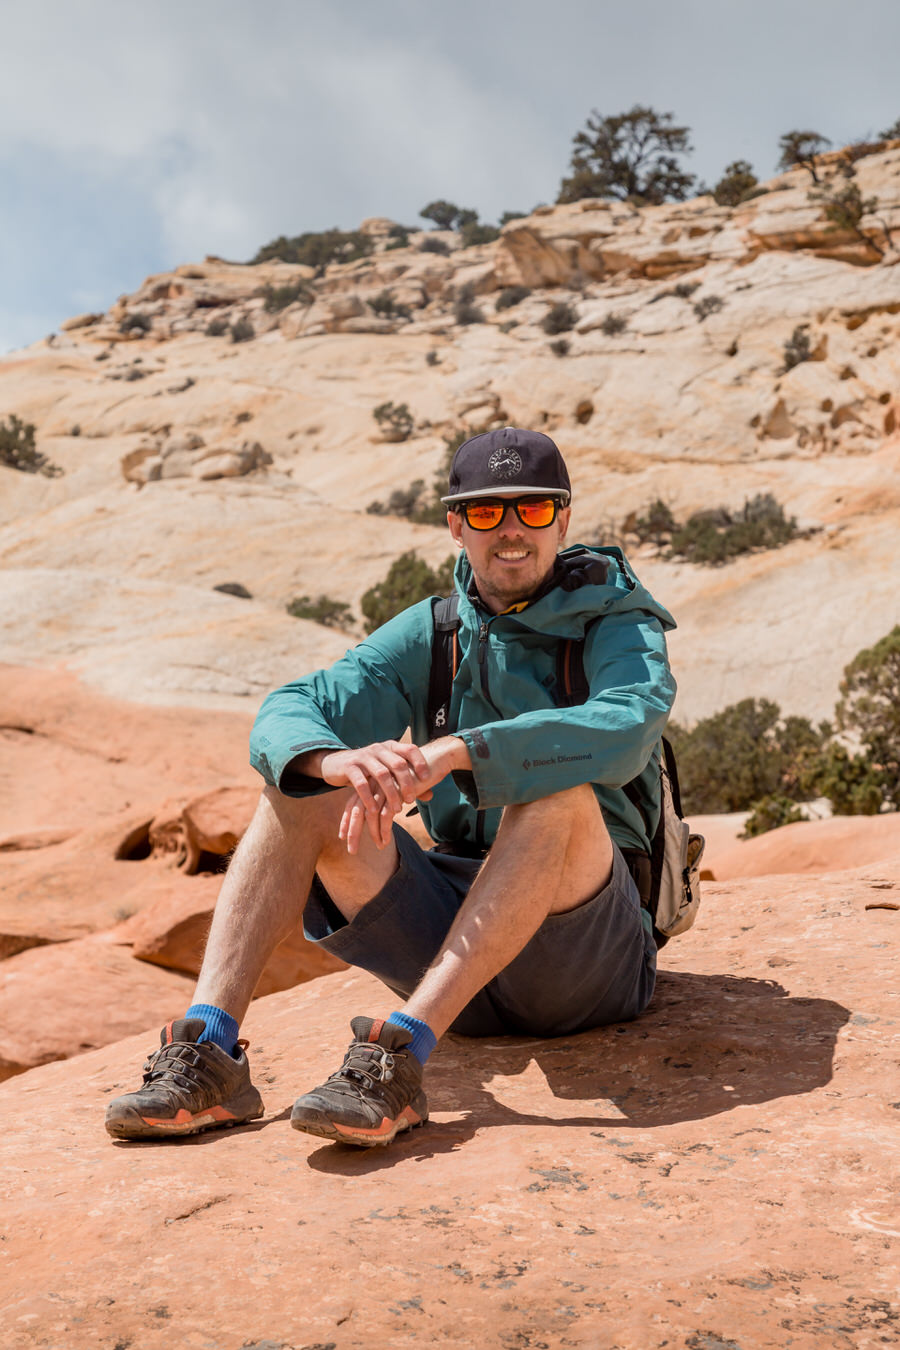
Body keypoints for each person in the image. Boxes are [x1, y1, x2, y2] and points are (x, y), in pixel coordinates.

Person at [105, 427, 676, 1148]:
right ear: (454, 525)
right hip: (461, 955)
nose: (510, 532)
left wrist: (462, 751)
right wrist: (329, 763)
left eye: (532, 511)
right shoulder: (435, 632)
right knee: (298, 786)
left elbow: (628, 724)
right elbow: (294, 706)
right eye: (486, 512)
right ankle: (211, 1054)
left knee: (557, 788)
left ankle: (399, 1060)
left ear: (562, 520)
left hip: (588, 956)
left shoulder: (614, 619)